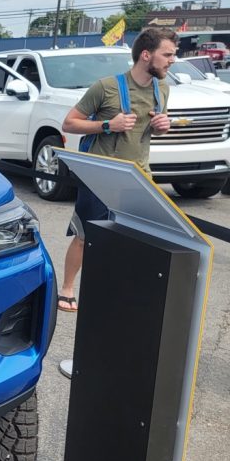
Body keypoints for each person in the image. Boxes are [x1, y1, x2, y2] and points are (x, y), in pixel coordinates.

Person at [56, 27, 176, 312]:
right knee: (85, 236)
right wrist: (108, 125)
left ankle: (120, 290)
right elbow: (69, 123)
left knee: (135, 239)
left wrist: (162, 127)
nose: (173, 60)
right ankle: (68, 288)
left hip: (139, 178)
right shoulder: (106, 87)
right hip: (101, 177)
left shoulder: (163, 88)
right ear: (146, 55)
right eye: (168, 54)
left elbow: (153, 130)